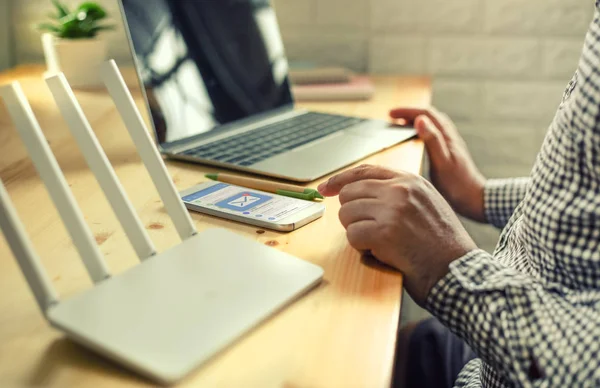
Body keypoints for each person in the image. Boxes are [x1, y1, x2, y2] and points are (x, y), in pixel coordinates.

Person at [317, 4, 600, 388]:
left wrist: (448, 267)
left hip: (511, 365)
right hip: (496, 349)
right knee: (395, 346)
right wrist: (478, 195)